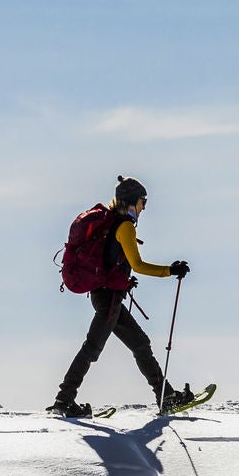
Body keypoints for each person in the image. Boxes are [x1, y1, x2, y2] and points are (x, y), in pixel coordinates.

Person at [49, 176, 197, 418]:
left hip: (106, 296)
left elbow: (114, 263)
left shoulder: (114, 223)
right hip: (109, 300)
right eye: (143, 201)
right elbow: (137, 264)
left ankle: (166, 397)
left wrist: (123, 279)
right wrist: (171, 270)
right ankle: (63, 400)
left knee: (140, 344)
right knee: (92, 348)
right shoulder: (124, 226)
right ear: (131, 201)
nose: (144, 207)